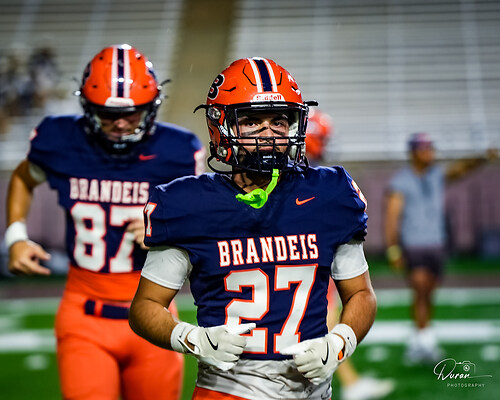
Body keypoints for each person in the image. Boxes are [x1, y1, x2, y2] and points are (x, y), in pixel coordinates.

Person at [129, 57, 377, 400]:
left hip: (315, 391)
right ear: (222, 127)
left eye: (279, 121)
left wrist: (339, 343)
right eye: (251, 122)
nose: (268, 134)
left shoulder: (329, 195)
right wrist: (193, 338)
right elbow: (145, 306)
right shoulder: (190, 205)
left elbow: (361, 294)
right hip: (230, 390)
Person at [5, 44, 204, 400]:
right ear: (87, 107)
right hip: (84, 312)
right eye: (108, 114)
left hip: (155, 310)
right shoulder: (60, 139)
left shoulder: (177, 151)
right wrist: (16, 235)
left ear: (152, 105)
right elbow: (23, 177)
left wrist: (169, 228)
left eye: (132, 112)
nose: (121, 122)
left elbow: (205, 221)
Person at [384, 132, 497, 364]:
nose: (430, 153)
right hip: (414, 245)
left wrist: (483, 157)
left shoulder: (436, 175)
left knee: (428, 292)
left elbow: (460, 169)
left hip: (436, 243)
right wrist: (393, 248)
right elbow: (392, 217)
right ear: (414, 153)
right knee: (420, 289)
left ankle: (420, 337)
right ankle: (424, 343)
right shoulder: (401, 181)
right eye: (425, 149)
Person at [307, 109, 394, 400]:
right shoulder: (312, 177)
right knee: (325, 319)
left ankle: (349, 381)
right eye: (322, 138)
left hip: (312, 253)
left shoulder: (311, 174)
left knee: (327, 320)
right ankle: (349, 382)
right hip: (310, 256)